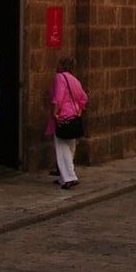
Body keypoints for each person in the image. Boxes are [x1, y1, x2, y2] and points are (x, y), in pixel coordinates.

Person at [52, 57, 88, 188]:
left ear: (62, 65)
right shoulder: (75, 80)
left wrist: (55, 113)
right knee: (71, 147)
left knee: (62, 148)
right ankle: (63, 177)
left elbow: (59, 96)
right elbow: (84, 98)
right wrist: (79, 112)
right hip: (74, 117)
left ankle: (70, 177)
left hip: (64, 116)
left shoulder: (60, 77)